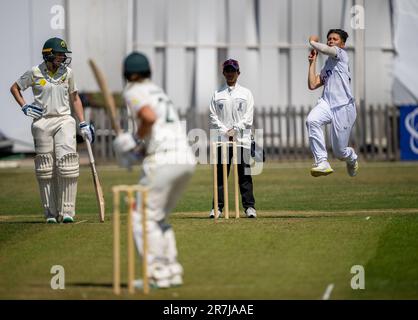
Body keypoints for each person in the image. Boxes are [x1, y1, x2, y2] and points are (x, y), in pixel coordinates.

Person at [113, 52, 196, 289]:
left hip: (164, 161)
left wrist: (131, 139)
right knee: (158, 217)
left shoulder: (133, 90)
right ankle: (171, 270)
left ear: (130, 74)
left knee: (142, 216)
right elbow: (157, 131)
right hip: (184, 158)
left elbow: (148, 118)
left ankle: (157, 273)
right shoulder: (157, 90)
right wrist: (136, 153)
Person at [10, 37, 94, 223]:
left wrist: (82, 123)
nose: (63, 57)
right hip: (41, 122)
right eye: (59, 54)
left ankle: (67, 212)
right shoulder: (35, 72)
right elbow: (15, 88)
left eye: (64, 55)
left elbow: (75, 98)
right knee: (45, 167)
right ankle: (50, 213)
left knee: (67, 163)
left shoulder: (68, 73)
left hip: (64, 119)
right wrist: (24, 106)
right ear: (48, 55)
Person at [306, 29, 359, 177]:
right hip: (327, 104)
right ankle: (322, 162)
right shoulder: (328, 65)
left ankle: (352, 157)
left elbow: (325, 49)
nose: (330, 41)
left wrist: (312, 42)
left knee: (339, 152)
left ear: (342, 44)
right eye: (329, 38)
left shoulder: (341, 55)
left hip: (344, 107)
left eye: (335, 39)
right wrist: (312, 62)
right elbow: (313, 84)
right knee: (312, 120)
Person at [208, 58, 257, 218]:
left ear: (238, 73)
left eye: (233, 70)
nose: (230, 73)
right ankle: (217, 208)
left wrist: (235, 130)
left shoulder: (246, 93)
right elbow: (212, 116)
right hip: (222, 140)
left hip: (242, 140)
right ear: (223, 73)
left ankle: (249, 208)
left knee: (244, 176)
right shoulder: (217, 94)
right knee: (220, 176)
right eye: (227, 70)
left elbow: (249, 117)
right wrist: (225, 131)